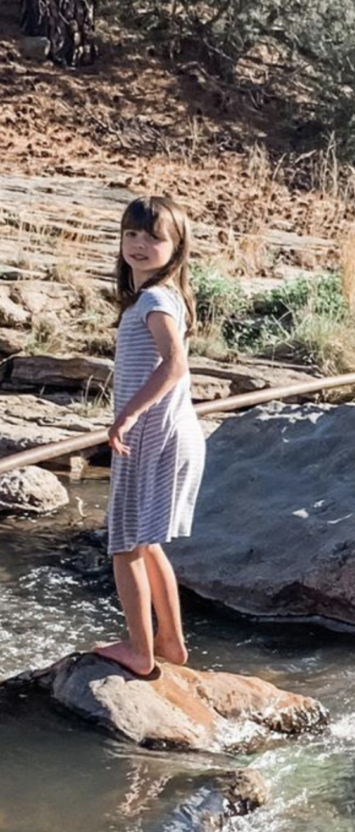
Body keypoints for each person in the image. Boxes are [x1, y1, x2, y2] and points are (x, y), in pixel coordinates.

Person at [93, 196, 205, 678]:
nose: (139, 245)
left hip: (152, 438)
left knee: (124, 547)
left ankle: (140, 651)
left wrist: (127, 417)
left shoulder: (157, 299)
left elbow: (174, 364)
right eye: (132, 235)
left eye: (153, 237)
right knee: (145, 543)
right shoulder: (161, 297)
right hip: (170, 435)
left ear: (175, 247)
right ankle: (170, 643)